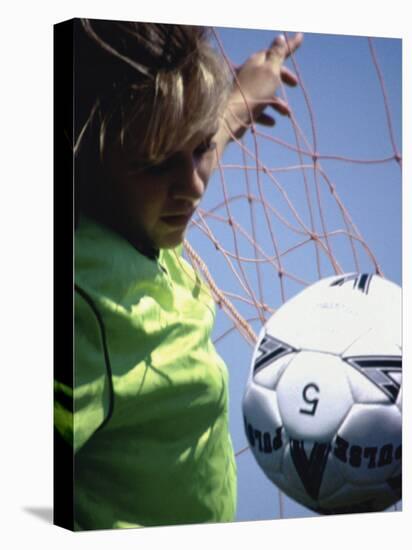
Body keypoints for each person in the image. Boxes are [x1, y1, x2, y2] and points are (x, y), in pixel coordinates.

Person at [54, 18, 303, 530]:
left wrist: (237, 100)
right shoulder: (83, 308)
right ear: (87, 160)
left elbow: (186, 137)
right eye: (158, 163)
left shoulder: (136, 219)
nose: (191, 186)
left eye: (201, 148)